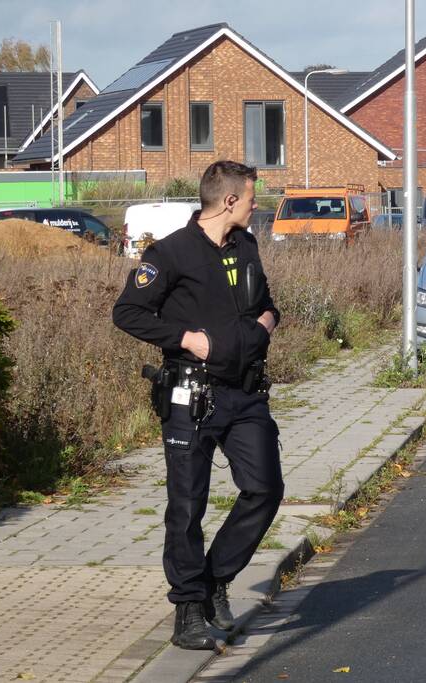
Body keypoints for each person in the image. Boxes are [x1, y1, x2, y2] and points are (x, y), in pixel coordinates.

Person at [112, 160, 283, 651]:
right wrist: (185, 337)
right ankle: (188, 613)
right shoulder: (170, 254)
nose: (256, 205)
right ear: (229, 200)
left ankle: (213, 582)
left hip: (245, 394)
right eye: (251, 197)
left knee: (264, 489)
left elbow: (267, 302)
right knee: (187, 507)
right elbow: (127, 313)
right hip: (192, 393)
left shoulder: (246, 245)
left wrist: (267, 322)